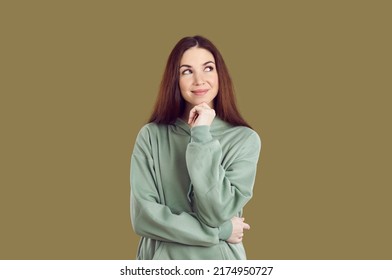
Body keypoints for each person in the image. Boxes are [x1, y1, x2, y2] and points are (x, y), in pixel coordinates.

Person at [130, 35, 261, 260]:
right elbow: (144, 217)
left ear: (220, 75)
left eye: (208, 68)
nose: (199, 80)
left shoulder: (244, 139)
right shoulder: (151, 136)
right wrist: (221, 231)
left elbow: (216, 211)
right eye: (187, 71)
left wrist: (201, 135)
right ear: (175, 79)